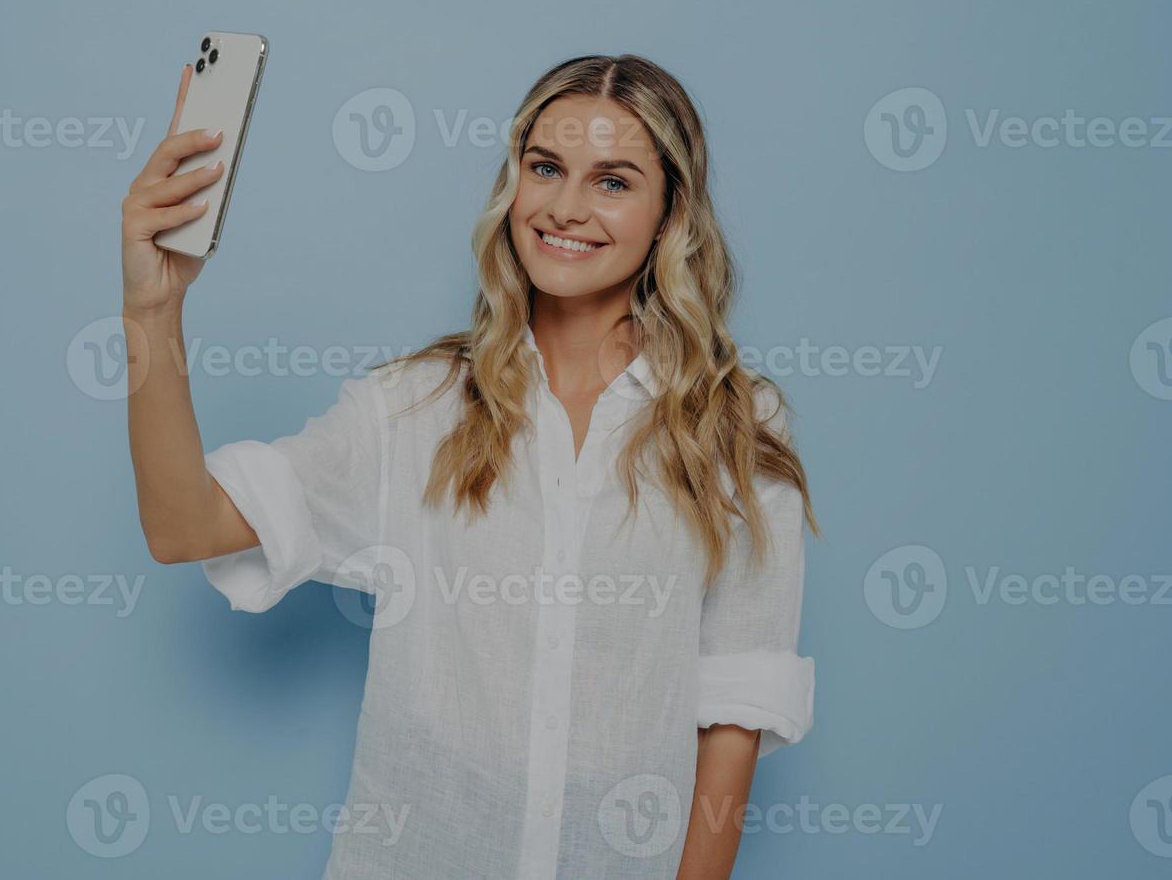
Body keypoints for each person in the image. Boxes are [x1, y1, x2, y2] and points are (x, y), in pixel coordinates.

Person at [120, 53, 820, 880]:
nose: (565, 207)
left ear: (671, 213)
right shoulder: (412, 407)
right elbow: (182, 526)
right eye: (546, 167)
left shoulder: (736, 426)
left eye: (614, 181)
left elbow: (733, 710)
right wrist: (153, 309)